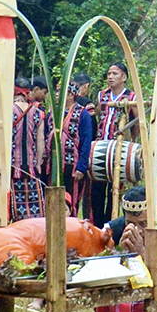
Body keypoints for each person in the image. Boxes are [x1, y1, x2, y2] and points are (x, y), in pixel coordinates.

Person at [91, 63, 135, 228]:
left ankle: (111, 227)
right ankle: (96, 227)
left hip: (119, 150)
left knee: (115, 190)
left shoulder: (131, 97)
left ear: (123, 77)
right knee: (97, 190)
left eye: (115, 74)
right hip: (101, 149)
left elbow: (136, 123)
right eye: (109, 73)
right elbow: (98, 117)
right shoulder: (102, 95)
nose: (110, 77)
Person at [9, 76, 54, 221]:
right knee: (34, 213)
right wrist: (38, 163)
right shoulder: (37, 113)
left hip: (11, 168)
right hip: (31, 170)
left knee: (13, 210)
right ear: (27, 93)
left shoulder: (7, 110)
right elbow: (41, 140)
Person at [61, 75, 96, 219]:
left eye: (62, 92)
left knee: (71, 200)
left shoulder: (83, 114)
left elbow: (87, 141)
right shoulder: (53, 113)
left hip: (72, 165)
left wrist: (81, 166)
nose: (58, 95)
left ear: (71, 95)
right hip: (55, 166)